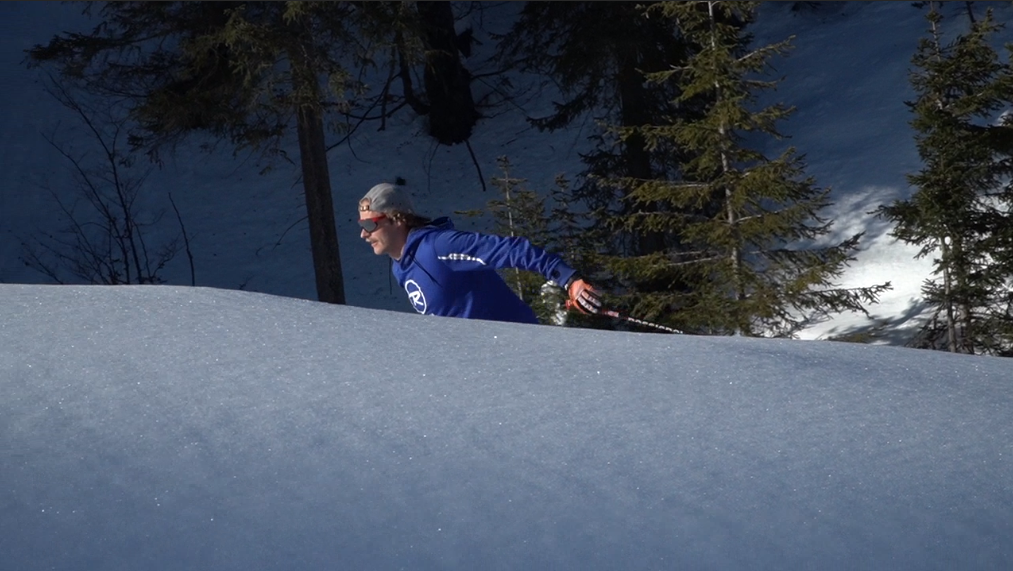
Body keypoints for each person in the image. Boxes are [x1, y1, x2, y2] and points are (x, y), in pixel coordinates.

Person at [358, 182, 602, 324]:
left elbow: (511, 250)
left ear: (397, 219)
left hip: (520, 351)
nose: (364, 234)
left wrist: (569, 279)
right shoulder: (400, 265)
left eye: (370, 224)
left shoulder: (439, 247)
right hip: (478, 366)